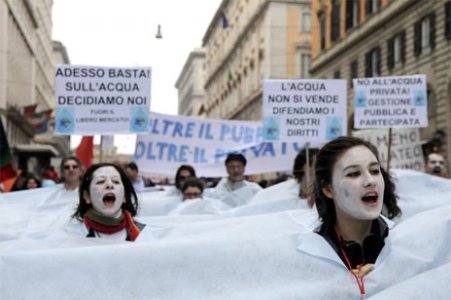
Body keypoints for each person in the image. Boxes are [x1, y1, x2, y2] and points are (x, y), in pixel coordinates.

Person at [312, 136, 401, 287]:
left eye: (374, 170)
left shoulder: (404, 242)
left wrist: (388, 280)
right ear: (328, 189)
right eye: (354, 174)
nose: (370, 181)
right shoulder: (310, 251)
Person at [72, 163, 145, 241]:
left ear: (125, 196)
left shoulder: (144, 235)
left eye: (116, 181)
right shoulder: (72, 236)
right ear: (87, 196)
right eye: (100, 181)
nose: (109, 185)